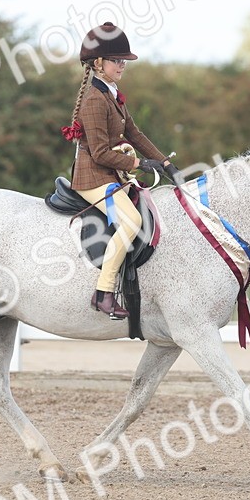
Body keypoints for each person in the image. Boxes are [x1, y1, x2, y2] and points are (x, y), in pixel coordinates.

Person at [65, 22, 179, 319]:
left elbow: (135, 134)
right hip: (93, 178)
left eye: (124, 61)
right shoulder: (94, 100)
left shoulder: (111, 94)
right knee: (131, 222)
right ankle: (103, 293)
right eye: (116, 60)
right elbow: (100, 153)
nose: (122, 65)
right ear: (98, 64)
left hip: (111, 175)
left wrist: (165, 163)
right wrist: (139, 164)